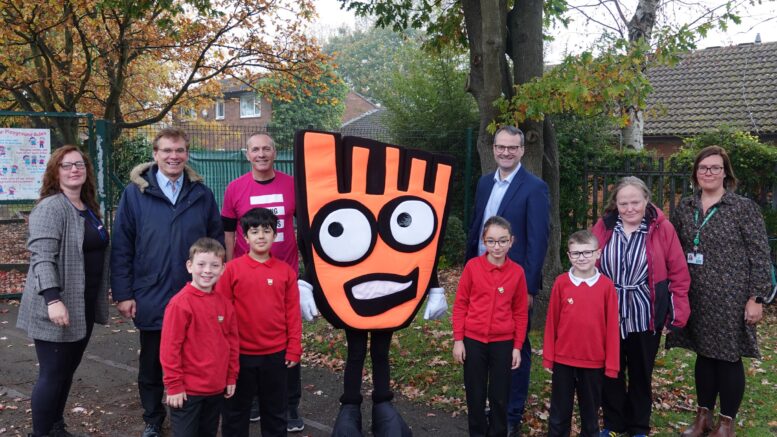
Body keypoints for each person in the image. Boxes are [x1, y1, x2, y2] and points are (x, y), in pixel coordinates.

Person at [111, 127, 224, 437]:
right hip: (152, 292)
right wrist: (123, 293)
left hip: (195, 293)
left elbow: (215, 239)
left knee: (197, 354)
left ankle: (192, 415)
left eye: (179, 151)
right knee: (153, 363)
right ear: (155, 154)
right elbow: (122, 245)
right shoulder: (135, 193)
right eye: (166, 151)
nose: (173, 156)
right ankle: (152, 418)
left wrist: (214, 280)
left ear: (186, 154)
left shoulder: (201, 193)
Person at [667, 146, 771, 437]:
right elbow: (672, 247)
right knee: (704, 354)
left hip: (731, 297)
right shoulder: (685, 207)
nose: (708, 173)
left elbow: (760, 255)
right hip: (695, 295)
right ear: (695, 174)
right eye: (703, 168)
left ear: (726, 173)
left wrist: (757, 297)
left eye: (714, 168)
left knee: (727, 357)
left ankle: (726, 423)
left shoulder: (742, 208)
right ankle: (703, 417)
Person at [17, 146, 110, 437]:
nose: (74, 170)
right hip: (55, 306)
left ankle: (56, 426)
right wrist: (53, 299)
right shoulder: (51, 207)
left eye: (79, 165)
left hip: (81, 305)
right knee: (53, 374)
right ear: (55, 172)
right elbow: (41, 257)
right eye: (67, 165)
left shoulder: (87, 206)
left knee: (66, 372)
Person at [465, 125, 550, 435]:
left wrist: (528, 287)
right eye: (501, 147)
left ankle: (512, 413)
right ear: (494, 148)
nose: (505, 152)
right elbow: (477, 227)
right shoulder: (485, 183)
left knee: (516, 346)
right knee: (481, 343)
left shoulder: (534, 187)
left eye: (512, 148)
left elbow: (538, 239)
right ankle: (493, 403)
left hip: (514, 283)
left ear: (522, 151)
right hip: (480, 276)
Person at [221, 132, 308, 431]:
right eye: (255, 149)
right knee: (247, 330)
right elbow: (229, 231)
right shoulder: (234, 189)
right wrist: (230, 266)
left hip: (286, 271)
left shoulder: (293, 186)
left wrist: (306, 274)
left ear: (275, 152)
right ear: (247, 154)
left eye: (266, 148)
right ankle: (253, 401)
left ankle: (289, 407)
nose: (261, 154)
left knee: (283, 339)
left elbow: (306, 228)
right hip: (247, 274)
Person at [591, 176, 690, 437]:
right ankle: (614, 424)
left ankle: (638, 427)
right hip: (609, 312)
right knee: (609, 370)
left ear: (646, 201)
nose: (630, 208)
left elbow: (678, 270)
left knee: (640, 372)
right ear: (616, 205)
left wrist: (678, 310)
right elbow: (587, 260)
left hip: (645, 312)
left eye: (635, 202)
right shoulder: (604, 226)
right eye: (624, 203)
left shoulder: (661, 228)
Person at [216, 207, 302, 437]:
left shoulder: (286, 272)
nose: (261, 236)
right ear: (245, 237)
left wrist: (294, 347)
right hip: (240, 355)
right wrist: (224, 351)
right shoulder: (231, 271)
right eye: (255, 231)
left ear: (275, 235)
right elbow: (221, 314)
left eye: (267, 230)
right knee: (235, 414)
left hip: (275, 355)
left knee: (275, 414)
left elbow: (293, 313)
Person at [453, 216, 528, 437]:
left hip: (502, 343)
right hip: (473, 341)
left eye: (503, 241)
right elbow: (460, 305)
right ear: (484, 241)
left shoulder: (517, 273)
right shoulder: (473, 267)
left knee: (500, 396)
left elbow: (520, 312)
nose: (497, 246)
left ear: (511, 241)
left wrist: (517, 346)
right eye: (492, 241)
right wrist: (459, 340)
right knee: (475, 396)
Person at [543, 230, 619, 437]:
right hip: (564, 361)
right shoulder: (561, 283)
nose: (582, 258)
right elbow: (552, 322)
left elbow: (612, 328)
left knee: (590, 416)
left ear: (598, 254)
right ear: (569, 256)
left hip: (593, 363)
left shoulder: (606, 286)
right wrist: (550, 357)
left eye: (587, 252)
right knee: (559, 415)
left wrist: (612, 365)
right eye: (576, 253)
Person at [160, 238, 239, 437]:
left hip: (215, 389)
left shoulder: (225, 304)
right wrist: (174, 385)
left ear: (222, 269)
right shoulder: (180, 304)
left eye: (214, 265)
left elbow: (232, 343)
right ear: (189, 266)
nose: (207, 270)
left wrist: (231, 376)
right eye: (201, 264)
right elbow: (169, 349)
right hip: (187, 392)